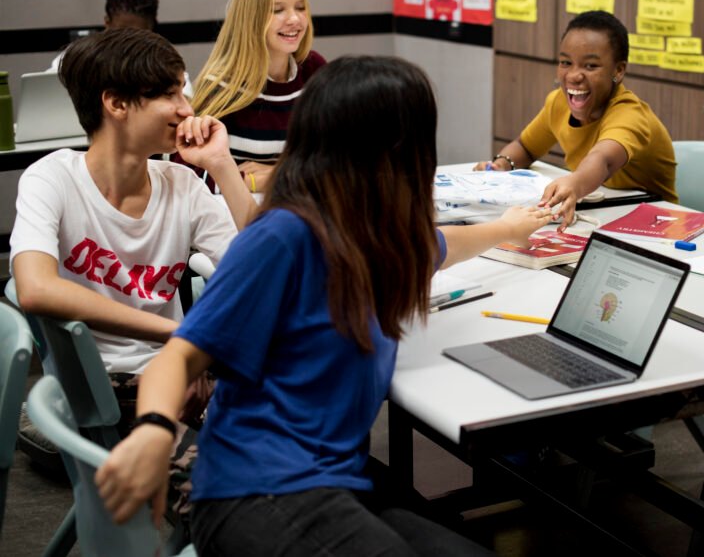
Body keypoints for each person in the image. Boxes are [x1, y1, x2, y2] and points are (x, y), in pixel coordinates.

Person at [95, 56, 552, 555]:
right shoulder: (285, 235)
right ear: (396, 150)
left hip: (335, 478)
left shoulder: (384, 239)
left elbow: (446, 244)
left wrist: (513, 227)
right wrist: (154, 431)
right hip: (253, 490)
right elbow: (178, 357)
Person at [11, 27, 254, 429]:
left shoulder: (182, 185)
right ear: (116, 104)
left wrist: (222, 165)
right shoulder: (52, 178)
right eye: (168, 95)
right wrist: (180, 337)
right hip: (95, 387)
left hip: (173, 372)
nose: (187, 109)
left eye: (183, 92)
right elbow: (35, 289)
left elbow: (263, 268)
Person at [473, 10, 677, 228]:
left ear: (618, 70)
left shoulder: (630, 113)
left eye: (590, 66)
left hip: (655, 223)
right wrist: (502, 166)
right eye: (565, 62)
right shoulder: (558, 102)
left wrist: (573, 183)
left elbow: (603, 159)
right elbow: (526, 147)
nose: (573, 76)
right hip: (605, 215)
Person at [188, 0, 326, 194]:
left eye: (300, 7)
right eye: (278, 10)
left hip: (302, 210)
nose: (294, 19)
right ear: (251, 17)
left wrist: (277, 175)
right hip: (236, 220)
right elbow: (189, 176)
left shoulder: (314, 69)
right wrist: (250, 182)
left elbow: (340, 157)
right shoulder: (221, 85)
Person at [45, 0, 193, 97]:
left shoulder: (164, 62)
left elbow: (185, 98)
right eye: (120, 31)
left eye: (136, 33)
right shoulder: (79, 57)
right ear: (107, 23)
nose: (127, 40)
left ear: (151, 28)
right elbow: (44, 95)